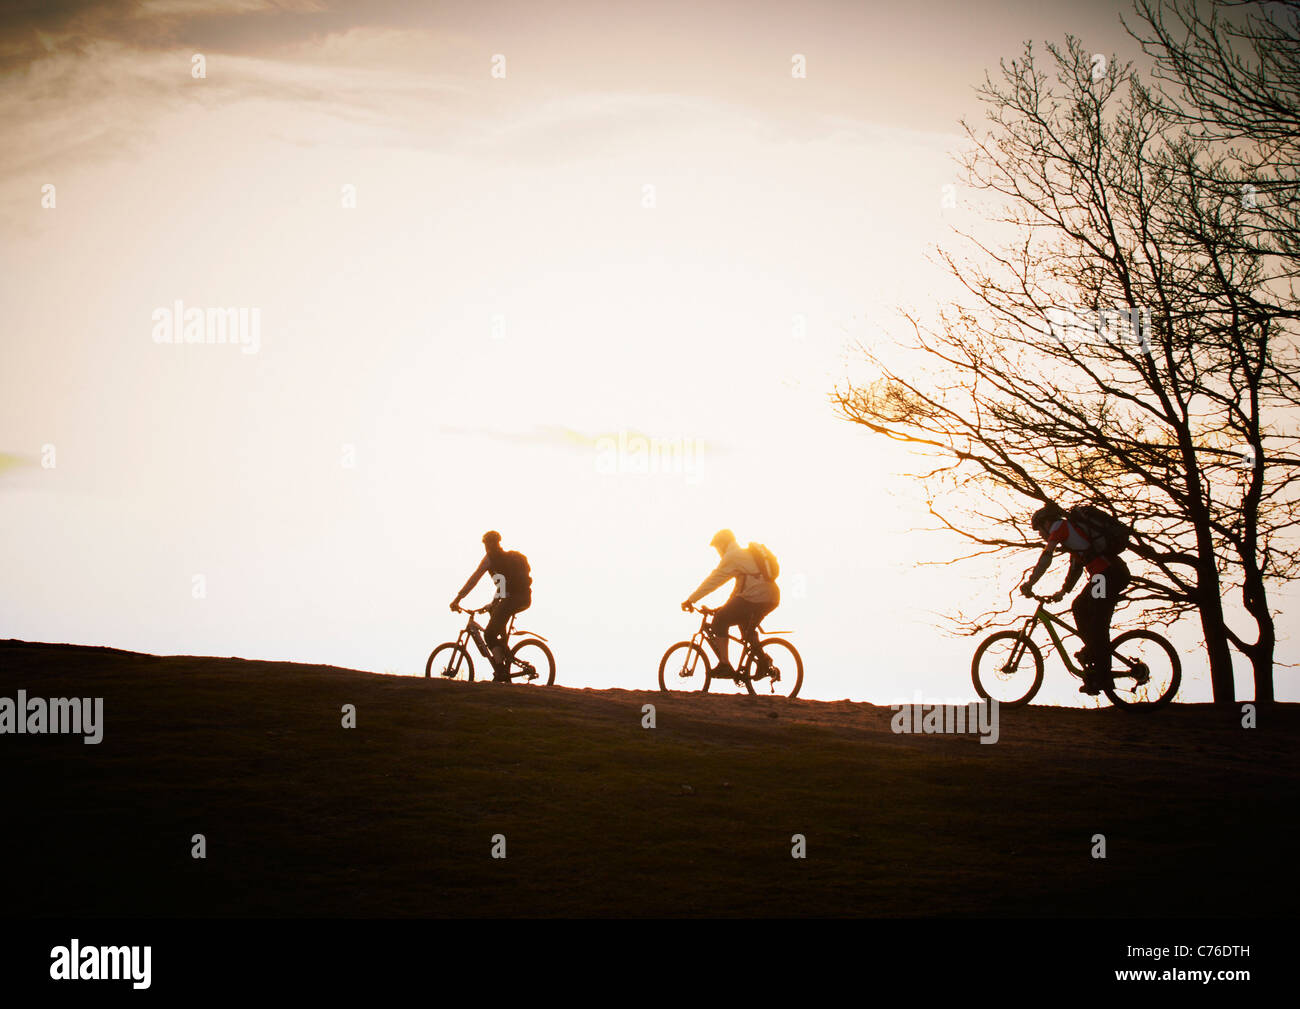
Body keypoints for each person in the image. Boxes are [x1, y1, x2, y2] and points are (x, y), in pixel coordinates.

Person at [1021, 502, 1131, 695]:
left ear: (1047, 522)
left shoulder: (1059, 527)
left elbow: (1046, 557)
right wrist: (1063, 591)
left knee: (1097, 624)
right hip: (1108, 574)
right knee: (1080, 607)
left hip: (1105, 575)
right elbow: (1076, 567)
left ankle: (1101, 676)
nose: (1040, 534)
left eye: (1039, 529)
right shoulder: (1074, 534)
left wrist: (1030, 583)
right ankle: (1093, 654)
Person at [681, 529, 779, 679]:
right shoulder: (742, 556)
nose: (718, 552)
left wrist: (691, 600)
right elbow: (739, 591)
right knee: (745, 628)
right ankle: (764, 662)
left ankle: (725, 665)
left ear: (723, 544)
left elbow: (714, 580)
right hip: (768, 597)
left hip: (757, 596)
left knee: (719, 621)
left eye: (717, 548)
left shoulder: (733, 556)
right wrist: (721, 608)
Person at [450, 531, 532, 682]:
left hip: (513, 598)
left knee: (488, 634)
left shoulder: (491, 559)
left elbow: (473, 580)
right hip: (524, 597)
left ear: (488, 544)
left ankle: (501, 671)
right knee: (495, 617)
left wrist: (457, 599)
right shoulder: (506, 559)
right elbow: (503, 585)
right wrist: (492, 604)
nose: (487, 547)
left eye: (486, 544)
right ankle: (503, 655)